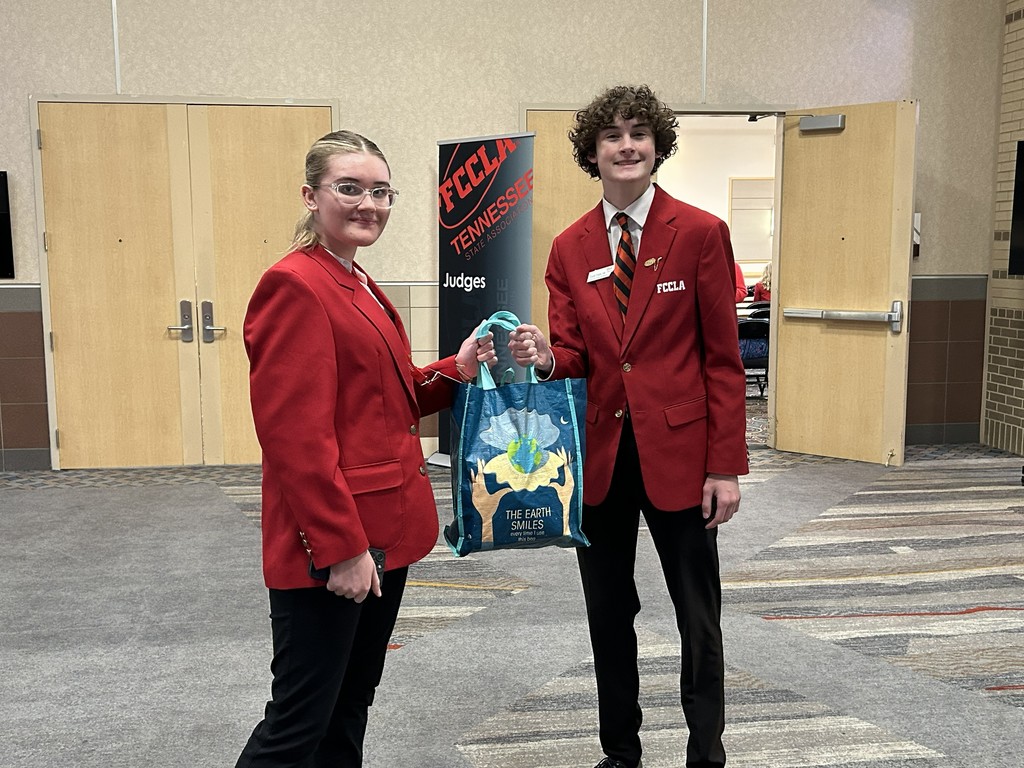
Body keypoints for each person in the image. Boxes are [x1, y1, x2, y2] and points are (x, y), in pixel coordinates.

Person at [508, 85, 749, 768]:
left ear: (657, 146)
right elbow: (575, 358)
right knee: (609, 614)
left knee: (698, 617)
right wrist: (545, 357)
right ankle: (620, 751)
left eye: (639, 133)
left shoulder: (699, 232)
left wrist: (725, 467)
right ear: (592, 152)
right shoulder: (569, 246)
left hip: (684, 456)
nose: (626, 146)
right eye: (611, 136)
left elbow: (723, 360)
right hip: (601, 458)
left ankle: (706, 753)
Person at [236, 130, 493, 768]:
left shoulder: (357, 280)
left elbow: (386, 399)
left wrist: (457, 368)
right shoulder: (294, 285)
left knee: (350, 704)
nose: (368, 204)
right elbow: (296, 440)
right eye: (349, 188)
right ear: (311, 196)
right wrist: (342, 549)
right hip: (336, 542)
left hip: (384, 528)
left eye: (381, 192)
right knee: (299, 723)